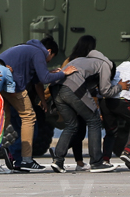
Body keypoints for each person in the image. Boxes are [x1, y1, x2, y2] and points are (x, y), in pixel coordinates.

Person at [0, 37, 70, 172]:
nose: (49, 61)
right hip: (13, 85)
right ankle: (26, 160)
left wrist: (42, 100)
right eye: (51, 58)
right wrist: (63, 73)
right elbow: (45, 78)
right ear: (49, 51)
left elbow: (38, 81)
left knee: (3, 121)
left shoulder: (27, 50)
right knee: (28, 117)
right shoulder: (38, 53)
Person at [50, 36, 119, 173]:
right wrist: (120, 87)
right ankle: (97, 162)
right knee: (94, 121)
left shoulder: (80, 60)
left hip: (56, 88)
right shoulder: (106, 64)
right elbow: (105, 90)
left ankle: (58, 161)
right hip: (72, 88)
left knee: (71, 125)